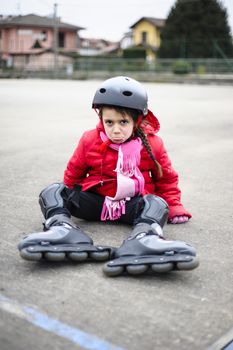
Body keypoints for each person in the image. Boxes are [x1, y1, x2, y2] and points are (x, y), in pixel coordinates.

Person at [18, 76, 199, 276]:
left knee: (156, 203)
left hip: (132, 207)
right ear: (101, 119)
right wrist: (67, 197)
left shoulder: (153, 144)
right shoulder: (90, 139)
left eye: (123, 122)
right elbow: (74, 172)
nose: (115, 130)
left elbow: (166, 179)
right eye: (109, 122)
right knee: (53, 191)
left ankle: (145, 237)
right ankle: (62, 229)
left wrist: (173, 205)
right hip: (96, 204)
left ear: (137, 120)